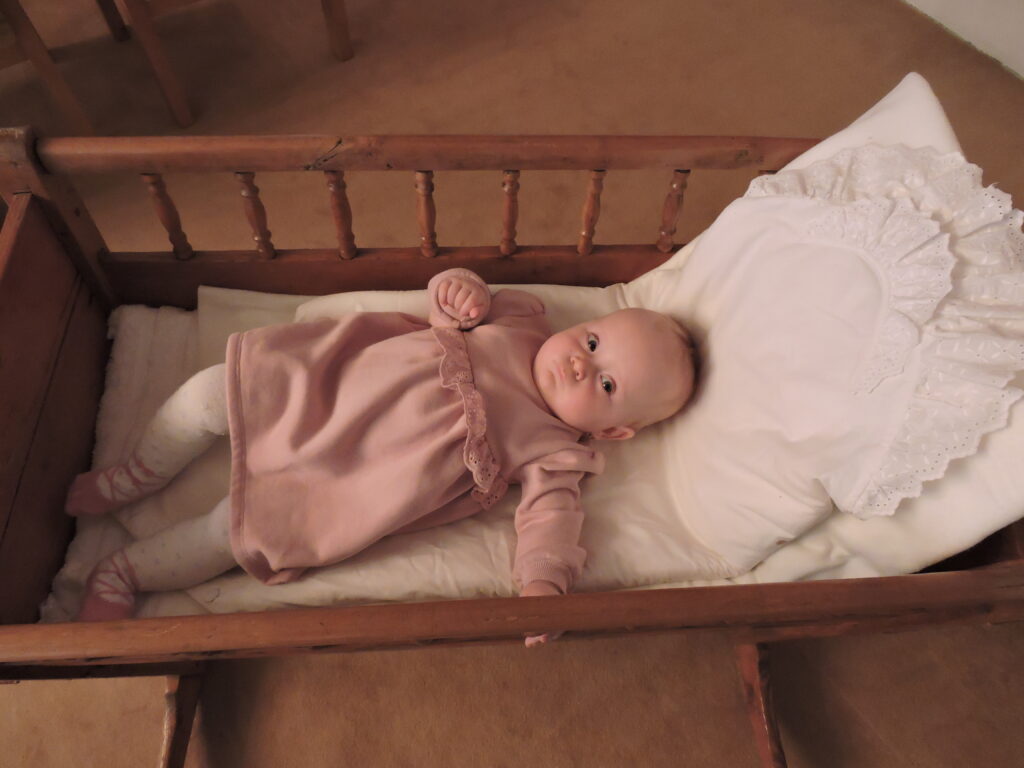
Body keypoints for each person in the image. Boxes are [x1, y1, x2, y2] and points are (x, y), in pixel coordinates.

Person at [66, 268, 696, 645]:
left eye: (606, 385)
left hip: (352, 477)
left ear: (613, 432)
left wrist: (544, 584)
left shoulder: (557, 452)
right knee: (209, 395)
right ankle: (135, 475)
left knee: (234, 532)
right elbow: (450, 298)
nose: (582, 364)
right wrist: (459, 291)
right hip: (329, 392)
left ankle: (122, 573)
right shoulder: (522, 319)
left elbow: (550, 522)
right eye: (592, 342)